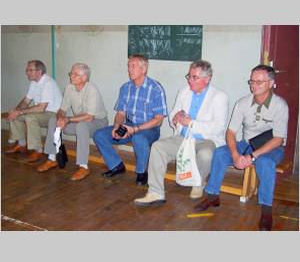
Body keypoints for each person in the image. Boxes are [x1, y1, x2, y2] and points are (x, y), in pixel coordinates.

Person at [194, 64, 289, 231]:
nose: (254, 85)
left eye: (259, 81)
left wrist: (252, 157)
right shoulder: (243, 103)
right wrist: (236, 154)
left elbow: (278, 139)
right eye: (252, 81)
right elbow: (230, 132)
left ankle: (266, 209)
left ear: (271, 83)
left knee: (265, 162)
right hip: (247, 143)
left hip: (271, 147)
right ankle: (212, 195)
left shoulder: (280, 105)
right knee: (221, 153)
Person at [134, 60, 229, 205]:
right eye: (189, 76)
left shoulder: (219, 96)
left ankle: (199, 182)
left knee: (206, 154)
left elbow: (218, 127)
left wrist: (191, 123)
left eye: (194, 77)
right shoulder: (184, 91)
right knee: (158, 147)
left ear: (207, 79)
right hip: (184, 137)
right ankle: (155, 192)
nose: (189, 80)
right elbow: (173, 114)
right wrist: (176, 118)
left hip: (206, 139)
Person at [93, 54, 168, 185]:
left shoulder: (156, 88)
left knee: (138, 138)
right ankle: (116, 166)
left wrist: (136, 129)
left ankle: (142, 172)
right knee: (99, 135)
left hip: (149, 129)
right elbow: (121, 113)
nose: (129, 70)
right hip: (129, 125)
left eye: (133, 66)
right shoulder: (125, 88)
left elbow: (158, 120)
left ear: (144, 69)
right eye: (129, 67)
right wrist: (117, 126)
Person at [37, 62, 108, 181]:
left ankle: (83, 166)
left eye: (75, 74)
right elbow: (62, 109)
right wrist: (60, 118)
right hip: (80, 120)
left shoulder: (92, 89)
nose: (71, 76)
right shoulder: (69, 87)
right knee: (53, 120)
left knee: (81, 126)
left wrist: (68, 119)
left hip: (98, 122)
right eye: (71, 73)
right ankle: (51, 158)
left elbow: (90, 117)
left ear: (85, 77)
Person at [5, 60, 62, 162]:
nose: (27, 72)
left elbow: (41, 108)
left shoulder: (48, 83)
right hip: (42, 112)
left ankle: (38, 150)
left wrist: (21, 111)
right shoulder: (34, 82)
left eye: (30, 70)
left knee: (30, 116)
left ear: (39, 71)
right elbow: (26, 100)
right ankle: (21, 145)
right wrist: (16, 110)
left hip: (53, 114)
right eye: (27, 70)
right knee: (15, 114)